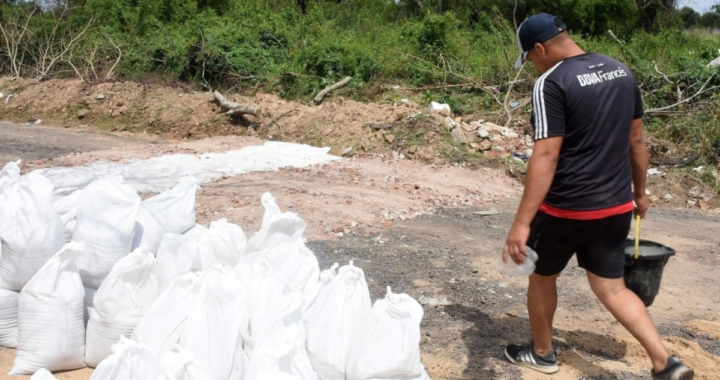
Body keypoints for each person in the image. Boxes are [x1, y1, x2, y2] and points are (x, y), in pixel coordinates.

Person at [501, 13, 694, 380]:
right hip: (616, 204)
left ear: (539, 48)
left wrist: (521, 224)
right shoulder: (620, 71)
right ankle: (665, 362)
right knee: (611, 287)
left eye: (529, 58)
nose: (531, 66)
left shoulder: (550, 83)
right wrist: (640, 193)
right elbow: (636, 140)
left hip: (566, 208)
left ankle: (541, 354)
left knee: (542, 277)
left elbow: (545, 155)